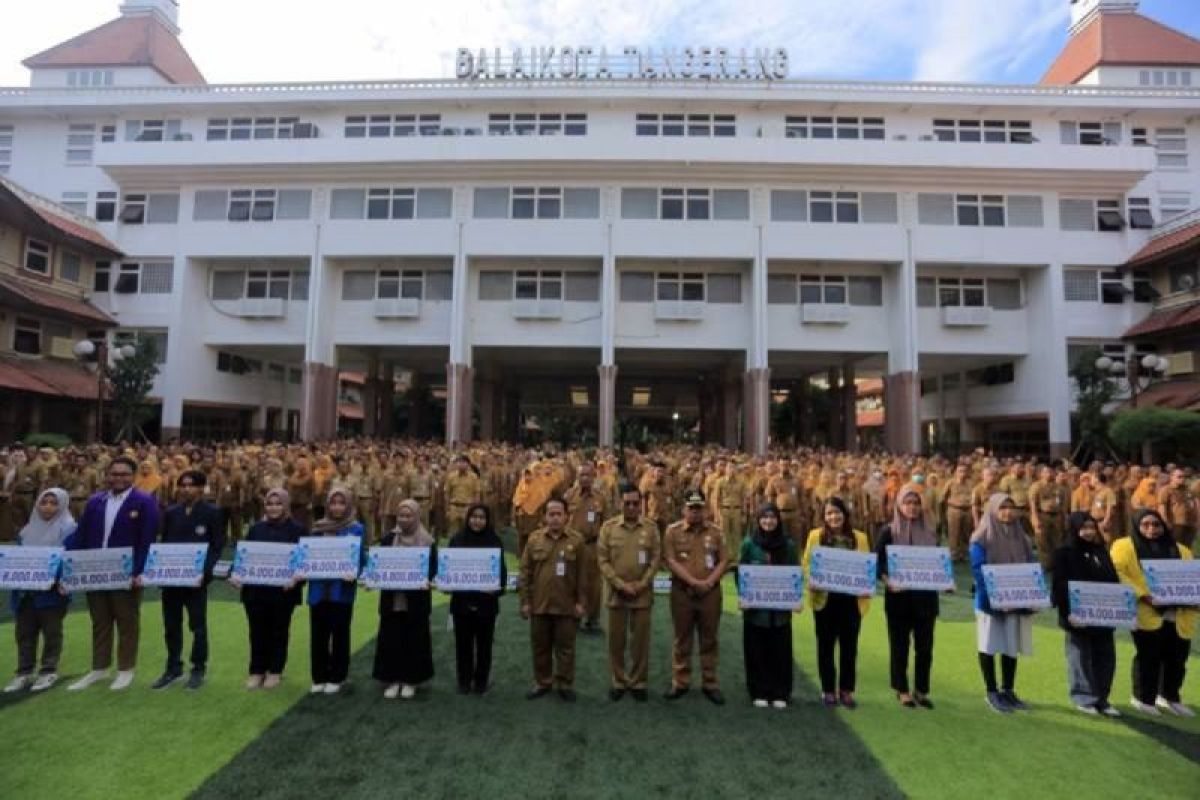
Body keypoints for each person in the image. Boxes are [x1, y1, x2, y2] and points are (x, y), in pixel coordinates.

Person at [66, 456, 160, 692]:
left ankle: (125, 669)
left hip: (125, 573)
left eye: (124, 474)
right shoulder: (96, 501)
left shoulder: (144, 501)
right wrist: (71, 567)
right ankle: (99, 668)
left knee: (127, 621)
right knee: (100, 621)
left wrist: (138, 571)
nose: (118, 478)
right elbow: (81, 535)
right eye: (114, 474)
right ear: (107, 475)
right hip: (95, 570)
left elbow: (146, 540)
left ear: (133, 476)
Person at [1111, 509, 1196, 717]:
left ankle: (1169, 696)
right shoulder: (1124, 546)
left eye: (1156, 524)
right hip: (1146, 610)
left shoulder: (1182, 550)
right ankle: (1143, 697)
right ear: (1137, 525)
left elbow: (1192, 578)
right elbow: (1118, 572)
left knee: (1177, 656)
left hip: (1179, 612)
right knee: (1149, 655)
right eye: (1146, 524)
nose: (1152, 529)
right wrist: (1143, 595)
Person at [152, 470, 225, 690]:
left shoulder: (213, 512)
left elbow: (217, 546)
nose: (185, 489)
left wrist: (204, 572)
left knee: (198, 626)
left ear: (201, 488)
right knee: (171, 625)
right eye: (182, 485)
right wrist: (159, 569)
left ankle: (198, 668)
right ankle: (173, 668)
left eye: (191, 485)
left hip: (196, 581)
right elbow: (164, 544)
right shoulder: (172, 512)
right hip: (172, 580)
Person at [231, 488, 304, 689]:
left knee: (279, 631)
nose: (273, 508)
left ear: (286, 505)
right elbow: (244, 556)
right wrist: (236, 574)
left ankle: (275, 670)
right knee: (257, 631)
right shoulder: (256, 529)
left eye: (278, 503)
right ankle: (256, 670)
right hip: (255, 591)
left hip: (283, 592)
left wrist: (297, 579)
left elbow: (304, 562)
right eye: (270, 504)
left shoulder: (297, 530)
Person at [971, 493, 1038, 714]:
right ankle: (991, 691)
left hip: (1015, 601)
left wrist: (1032, 596)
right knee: (989, 645)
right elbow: (979, 571)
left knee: (1011, 645)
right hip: (989, 602)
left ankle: (1008, 690)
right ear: (992, 510)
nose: (1007, 512)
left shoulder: (1022, 538)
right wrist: (997, 598)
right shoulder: (981, 538)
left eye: (1011, 507)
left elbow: (1031, 568)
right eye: (1002, 508)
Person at [875, 485, 940, 709]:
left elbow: (938, 563)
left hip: (926, 600)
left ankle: (921, 690)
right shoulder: (889, 531)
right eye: (907, 503)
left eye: (916, 503)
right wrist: (887, 581)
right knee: (899, 647)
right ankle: (901, 689)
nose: (912, 507)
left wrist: (944, 581)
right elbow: (877, 562)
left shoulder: (930, 532)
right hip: (899, 600)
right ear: (899, 505)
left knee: (925, 648)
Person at [803, 496, 871, 709]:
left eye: (837, 512)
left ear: (845, 514)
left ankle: (846, 690)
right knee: (825, 646)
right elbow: (806, 563)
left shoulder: (859, 538)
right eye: (829, 514)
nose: (834, 517)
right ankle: (828, 690)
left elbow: (866, 566)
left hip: (851, 601)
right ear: (824, 517)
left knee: (849, 647)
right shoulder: (815, 536)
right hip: (825, 599)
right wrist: (810, 580)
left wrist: (865, 583)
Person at [1051, 512, 1120, 716]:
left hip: (1104, 615)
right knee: (1080, 656)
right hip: (1077, 616)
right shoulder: (1064, 552)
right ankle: (1084, 697)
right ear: (1074, 528)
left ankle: (1102, 699)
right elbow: (1059, 585)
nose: (1088, 532)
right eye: (1084, 528)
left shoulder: (1101, 551)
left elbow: (1113, 582)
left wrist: (1119, 610)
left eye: (1091, 527)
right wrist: (1068, 613)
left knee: (1106, 656)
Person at [5, 488, 74, 693]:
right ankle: (23, 673)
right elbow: (18, 559)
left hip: (53, 592)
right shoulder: (26, 531)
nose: (48, 507)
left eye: (54, 503)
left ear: (62, 505)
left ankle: (48, 671)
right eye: (44, 502)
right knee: (24, 633)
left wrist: (62, 579)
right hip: (26, 592)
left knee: (52, 632)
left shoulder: (69, 529)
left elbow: (71, 559)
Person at [596, 484, 661, 702]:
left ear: (641, 503)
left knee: (640, 641)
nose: (632, 507)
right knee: (616, 641)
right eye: (627, 503)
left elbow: (655, 559)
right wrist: (620, 584)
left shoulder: (651, 528)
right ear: (620, 503)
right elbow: (602, 560)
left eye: (635, 503)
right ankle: (618, 680)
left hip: (642, 594)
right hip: (616, 593)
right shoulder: (608, 528)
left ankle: (638, 682)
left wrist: (642, 584)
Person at [662, 490, 728, 704]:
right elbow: (670, 561)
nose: (695, 512)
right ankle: (680, 681)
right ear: (684, 510)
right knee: (682, 638)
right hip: (683, 593)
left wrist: (708, 583)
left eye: (699, 508)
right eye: (691, 508)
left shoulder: (716, 532)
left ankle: (710, 682)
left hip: (710, 593)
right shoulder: (672, 532)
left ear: (705, 509)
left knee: (709, 638)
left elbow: (724, 561)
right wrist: (693, 582)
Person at [519, 497, 586, 701]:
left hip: (566, 605)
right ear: (544, 517)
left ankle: (565, 684)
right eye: (551, 514)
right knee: (540, 647)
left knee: (565, 648)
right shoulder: (534, 540)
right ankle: (543, 682)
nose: (555, 518)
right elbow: (525, 572)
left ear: (566, 516)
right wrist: (525, 602)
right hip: (540, 604)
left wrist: (581, 603)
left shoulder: (577, 541)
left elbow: (584, 575)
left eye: (559, 514)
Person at [372, 499, 437, 700]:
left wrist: (428, 580)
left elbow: (433, 569)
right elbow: (379, 566)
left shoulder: (427, 541)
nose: (404, 519)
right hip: (392, 600)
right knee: (391, 638)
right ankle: (392, 679)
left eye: (409, 515)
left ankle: (411, 680)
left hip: (416, 601)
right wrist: (373, 577)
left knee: (414, 639)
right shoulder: (388, 539)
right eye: (401, 515)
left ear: (417, 516)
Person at [738, 503, 800, 709]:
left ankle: (780, 692)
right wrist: (744, 595)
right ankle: (759, 691)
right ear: (758, 520)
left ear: (778, 520)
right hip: (756, 611)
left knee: (780, 650)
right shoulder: (749, 544)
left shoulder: (788, 545)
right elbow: (741, 571)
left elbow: (794, 572)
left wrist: (795, 598)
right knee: (757, 650)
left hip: (780, 611)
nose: (768, 521)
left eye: (772, 517)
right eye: (764, 517)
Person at [305, 487, 365, 695]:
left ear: (348, 505)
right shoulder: (317, 528)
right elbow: (307, 556)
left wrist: (355, 572)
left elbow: (360, 559)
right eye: (333, 503)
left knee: (340, 633)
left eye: (341, 503)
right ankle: (319, 676)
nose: (337, 507)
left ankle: (338, 676)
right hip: (318, 589)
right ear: (327, 505)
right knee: (318, 634)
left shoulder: (356, 528)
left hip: (342, 590)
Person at [446, 504, 506, 695]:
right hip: (461, 603)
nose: (477, 521)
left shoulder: (494, 541)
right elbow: (447, 570)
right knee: (463, 644)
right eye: (474, 517)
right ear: (468, 518)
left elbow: (501, 574)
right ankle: (463, 681)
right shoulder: (457, 540)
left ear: (487, 520)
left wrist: (496, 589)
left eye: (482, 517)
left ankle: (481, 682)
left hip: (486, 604)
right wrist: (447, 583)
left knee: (484, 645)